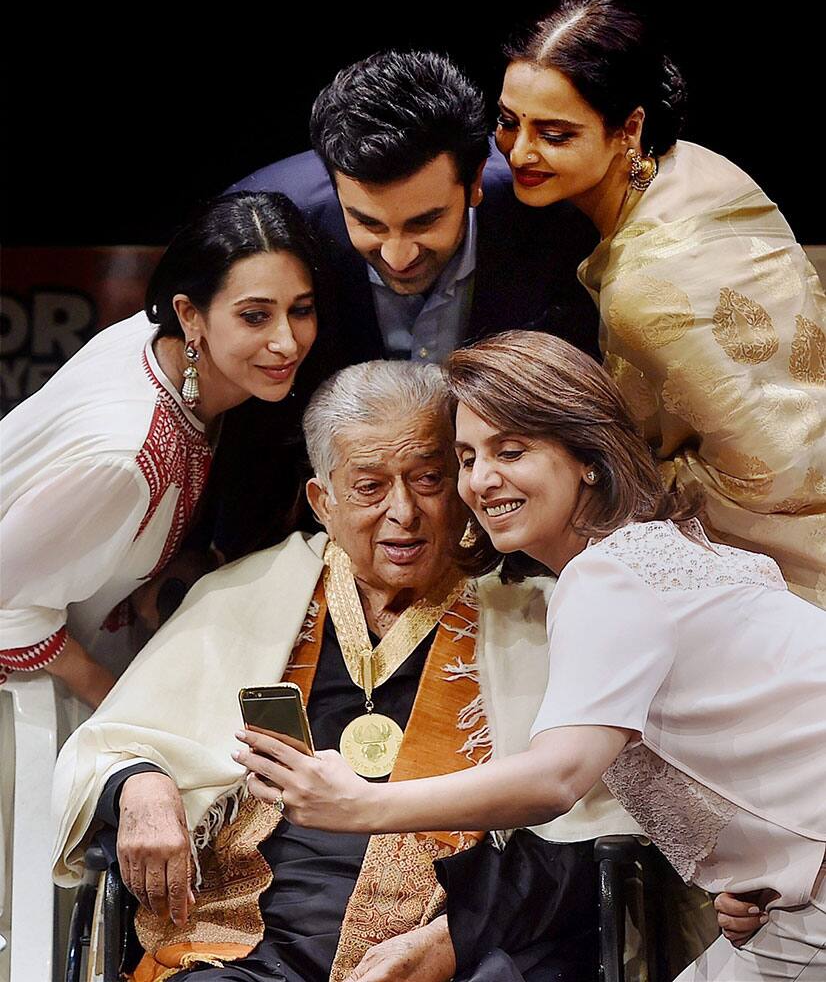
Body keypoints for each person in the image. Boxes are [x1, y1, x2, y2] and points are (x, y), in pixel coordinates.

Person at [246, 332, 826, 981]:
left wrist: (363, 806)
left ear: (587, 456)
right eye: (466, 458)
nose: (482, 479)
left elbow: (556, 779)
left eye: (511, 450)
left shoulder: (609, 575)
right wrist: (762, 871)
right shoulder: (658, 552)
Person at [52, 360, 643, 982]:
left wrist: (457, 936)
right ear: (322, 500)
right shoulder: (243, 595)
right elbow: (117, 743)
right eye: (368, 487)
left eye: (430, 479)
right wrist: (141, 784)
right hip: (245, 944)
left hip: (455, 941)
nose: (404, 513)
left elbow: (590, 832)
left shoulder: (536, 614)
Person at [489, 0, 826, 607]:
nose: (518, 153)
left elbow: (770, 469)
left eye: (554, 134)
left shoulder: (646, 290)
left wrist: (618, 488)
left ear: (630, 129)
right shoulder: (695, 169)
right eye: (510, 121)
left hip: (789, 551)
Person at [0, 192, 328, 707]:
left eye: (300, 310)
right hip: (31, 697)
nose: (286, 341)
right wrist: (116, 703)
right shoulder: (126, 458)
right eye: (255, 317)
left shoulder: (158, 342)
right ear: (190, 314)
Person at [228, 49, 600, 366]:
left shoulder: (560, 218)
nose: (397, 256)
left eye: (425, 222)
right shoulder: (269, 226)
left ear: (474, 183)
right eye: (368, 223)